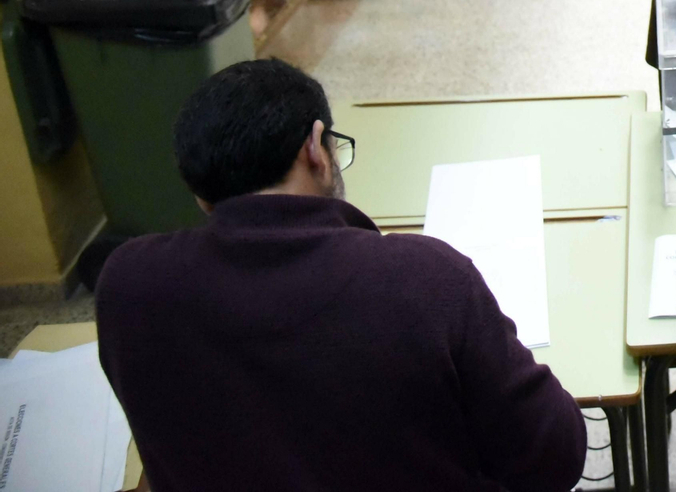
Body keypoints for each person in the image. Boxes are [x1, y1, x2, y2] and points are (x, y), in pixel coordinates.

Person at [95, 59, 588, 492]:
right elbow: (555, 459)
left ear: (200, 194)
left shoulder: (128, 286)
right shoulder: (426, 280)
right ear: (316, 147)